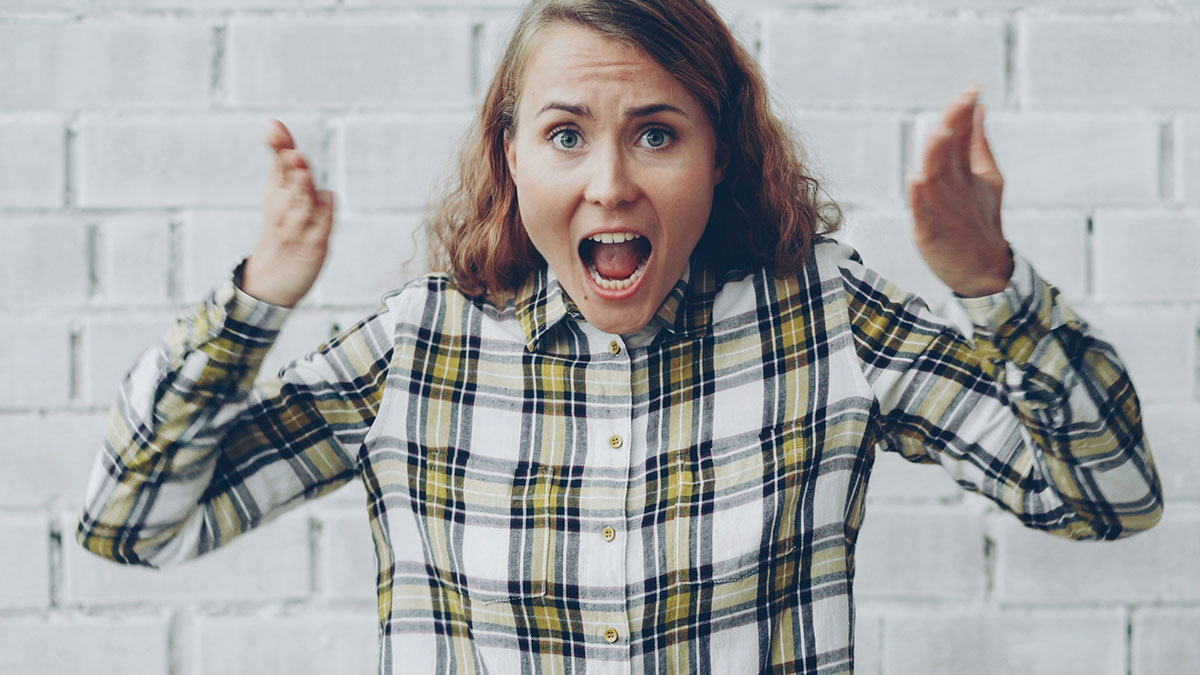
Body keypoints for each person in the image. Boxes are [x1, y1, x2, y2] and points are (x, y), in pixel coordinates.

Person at [76, 0, 1163, 673]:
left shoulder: (826, 321)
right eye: (564, 136)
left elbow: (1107, 498)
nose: (609, 186)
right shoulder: (421, 347)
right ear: (511, 158)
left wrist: (991, 285)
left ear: (720, 153)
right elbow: (129, 526)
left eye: (656, 133)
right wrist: (256, 301)